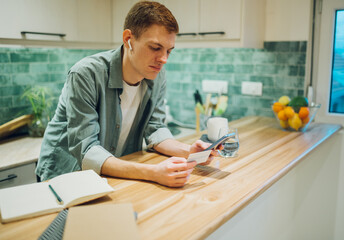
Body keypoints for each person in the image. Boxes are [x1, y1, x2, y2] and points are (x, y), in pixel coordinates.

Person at [36, 1, 217, 187]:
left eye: (169, 51)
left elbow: (154, 128)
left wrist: (188, 151)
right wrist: (154, 172)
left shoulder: (157, 75)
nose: (163, 59)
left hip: (108, 176)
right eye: (155, 48)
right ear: (128, 38)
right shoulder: (86, 74)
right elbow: (87, 151)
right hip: (64, 175)